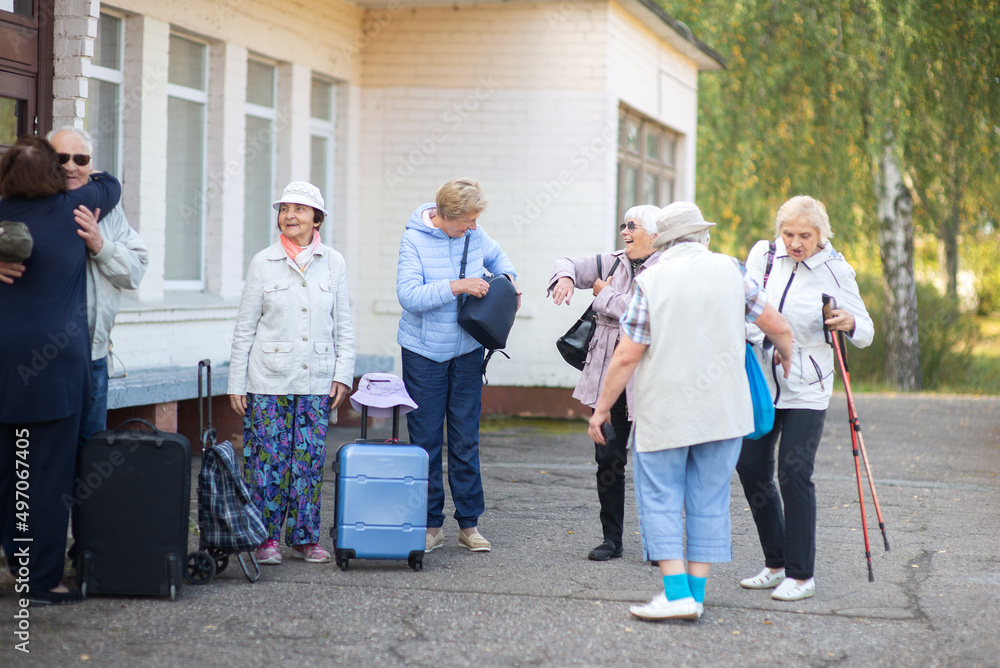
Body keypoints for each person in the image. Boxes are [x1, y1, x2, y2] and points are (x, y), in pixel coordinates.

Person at [587, 201, 794, 621]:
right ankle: (695, 596)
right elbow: (776, 323)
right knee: (710, 499)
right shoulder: (731, 270)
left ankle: (676, 593)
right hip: (723, 412)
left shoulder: (653, 279)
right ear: (702, 236)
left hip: (667, 412)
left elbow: (628, 354)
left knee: (662, 497)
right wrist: (788, 354)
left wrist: (602, 408)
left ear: (662, 240)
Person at [0, 136, 121, 606]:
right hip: (54, 369)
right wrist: (77, 174)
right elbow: (110, 183)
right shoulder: (76, 207)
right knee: (46, 477)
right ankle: (41, 579)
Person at [736, 195, 874, 601]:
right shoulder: (762, 256)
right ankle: (775, 563)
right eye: (788, 234)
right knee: (750, 469)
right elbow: (747, 308)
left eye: (805, 236)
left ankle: (801, 574)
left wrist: (848, 321)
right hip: (763, 379)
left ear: (821, 235)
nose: (795, 243)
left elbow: (865, 331)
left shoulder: (836, 269)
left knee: (794, 475)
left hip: (807, 387)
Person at [228, 181, 355, 566]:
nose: (289, 216)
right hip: (267, 379)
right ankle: (264, 539)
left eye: (299, 210)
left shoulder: (334, 262)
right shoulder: (262, 261)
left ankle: (304, 538)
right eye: (284, 209)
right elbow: (245, 327)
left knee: (308, 462)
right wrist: (236, 381)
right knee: (266, 461)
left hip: (316, 378)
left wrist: (343, 375)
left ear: (316, 218)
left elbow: (344, 324)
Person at [396, 177, 520, 554]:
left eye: (475, 219)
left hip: (467, 351)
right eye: (467, 219)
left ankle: (469, 524)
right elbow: (409, 296)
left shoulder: (474, 233)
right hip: (423, 355)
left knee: (466, 439)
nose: (473, 225)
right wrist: (458, 285)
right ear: (445, 215)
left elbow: (500, 258)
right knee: (427, 442)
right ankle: (431, 525)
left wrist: (510, 280)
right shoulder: (414, 239)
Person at [548, 204, 665, 561]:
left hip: (649, 380)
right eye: (623, 225)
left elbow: (648, 313)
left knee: (655, 464)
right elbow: (565, 261)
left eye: (633, 226)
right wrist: (566, 278)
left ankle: (661, 544)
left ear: (655, 234)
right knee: (609, 461)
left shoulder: (667, 268)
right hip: (609, 380)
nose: (625, 231)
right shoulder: (611, 261)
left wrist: (604, 295)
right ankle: (612, 539)